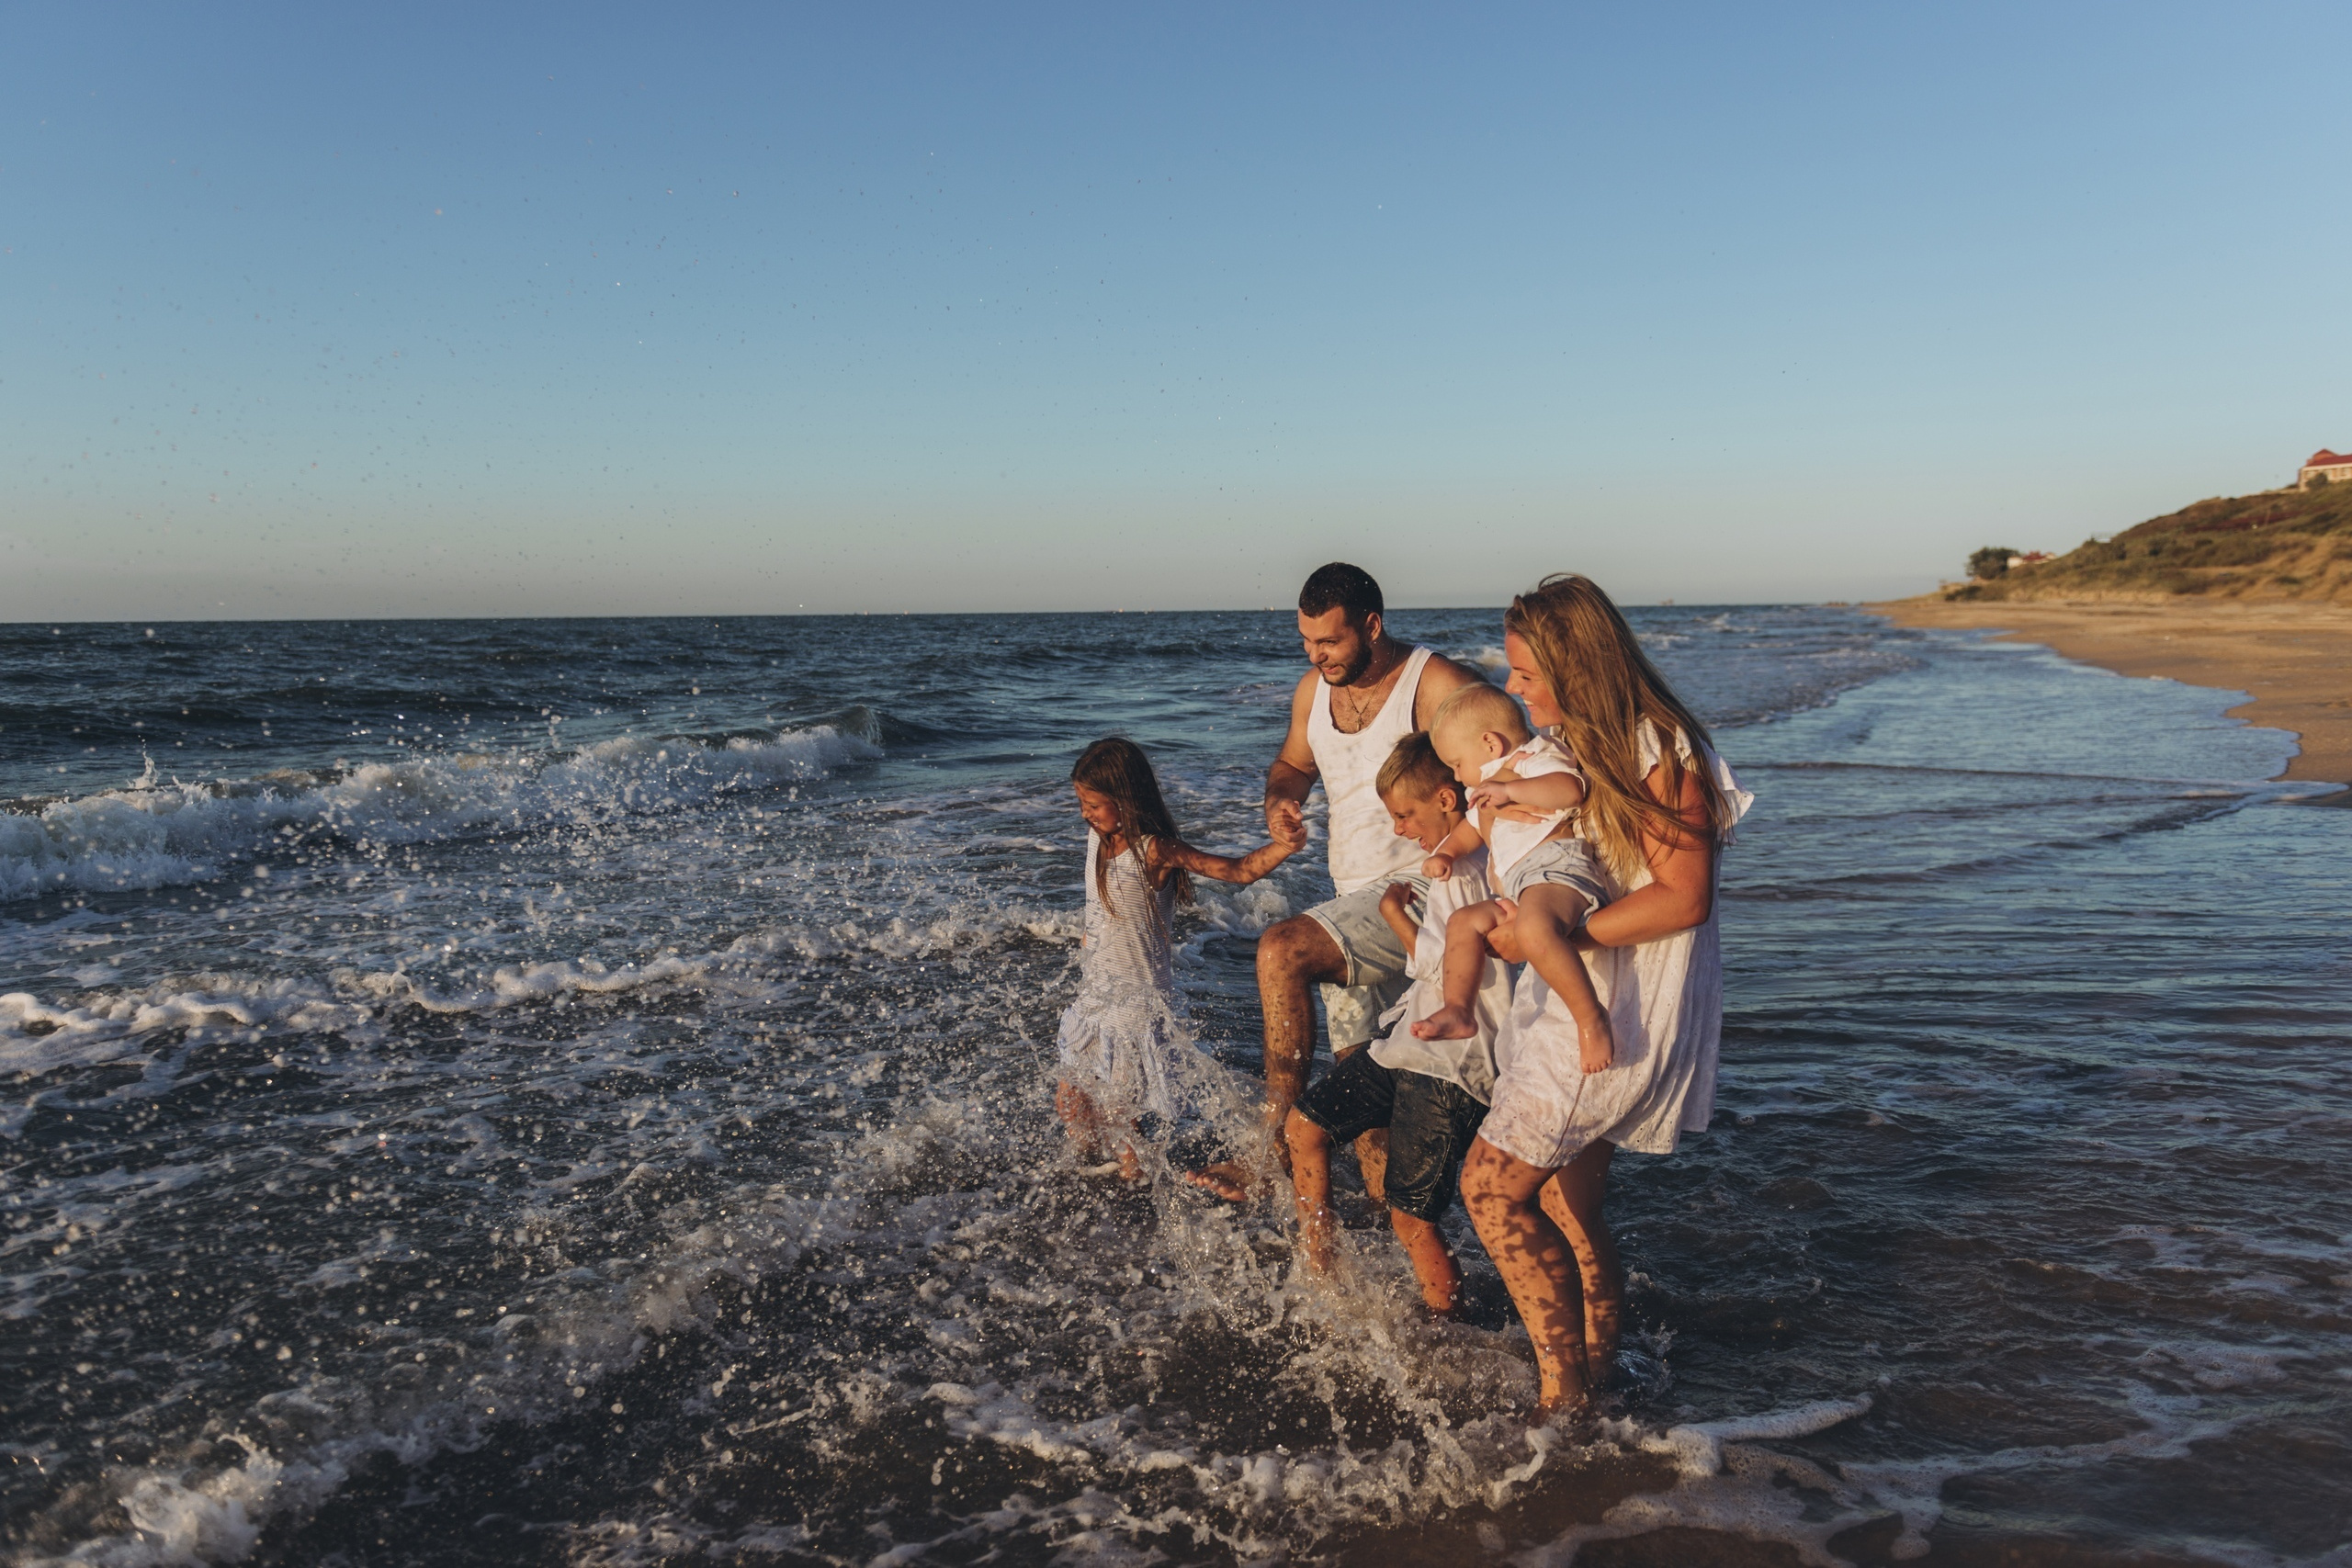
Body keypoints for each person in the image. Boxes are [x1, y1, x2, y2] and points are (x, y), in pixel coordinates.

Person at [1457, 576, 1752, 1416]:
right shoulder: (1596, 742)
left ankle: (1564, 1401)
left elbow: (1683, 895)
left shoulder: (1653, 747)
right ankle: (1597, 1371)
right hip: (1600, 994)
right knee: (1564, 1198)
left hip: (1623, 1007)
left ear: (1575, 665)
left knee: (1489, 1188)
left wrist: (1557, 939)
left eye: (1525, 671)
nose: (1514, 688)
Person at [1187, 563, 1480, 1202]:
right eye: (1306, 642)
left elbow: (1502, 775)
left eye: (1330, 642)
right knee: (1366, 1109)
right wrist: (1280, 802)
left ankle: (1268, 1154)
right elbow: (1294, 763)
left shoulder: (1436, 686)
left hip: (1428, 891)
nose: (1316, 655)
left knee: (1281, 949)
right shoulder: (1312, 691)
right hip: (1357, 901)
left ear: (1371, 626)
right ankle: (1404, 1281)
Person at [1285, 732, 1508, 1316]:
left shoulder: (1481, 868)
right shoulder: (1448, 869)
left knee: (1412, 1218)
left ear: (1446, 799)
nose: (1400, 829)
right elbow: (1432, 963)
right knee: (1305, 1127)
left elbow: (1466, 960)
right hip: (1404, 1045)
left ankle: (1443, 1325)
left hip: (1454, 1065)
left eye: (1405, 815)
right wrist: (1394, 915)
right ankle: (1319, 1269)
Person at [1057, 738, 1305, 1178]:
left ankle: (1134, 1188)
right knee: (1071, 1101)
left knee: (1120, 1119)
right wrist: (1089, 938)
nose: (1085, 814)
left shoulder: (1155, 851)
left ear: (1125, 799)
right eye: (1082, 803)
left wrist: (1284, 846)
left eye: (1093, 805)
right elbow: (1099, 906)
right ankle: (1089, 1179)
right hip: (1097, 997)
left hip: (1135, 1007)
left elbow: (1236, 871)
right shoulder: (1097, 839)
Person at [1408, 682, 1614, 1079]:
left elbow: (1569, 789)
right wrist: (1447, 854)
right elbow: (1472, 829)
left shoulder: (1534, 757)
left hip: (1557, 869)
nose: (1455, 774)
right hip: (1521, 884)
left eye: (1455, 763)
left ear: (1489, 744)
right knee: (1461, 923)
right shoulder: (1486, 788)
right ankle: (1458, 1009)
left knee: (1535, 930)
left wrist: (1510, 789)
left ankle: (1591, 1019)